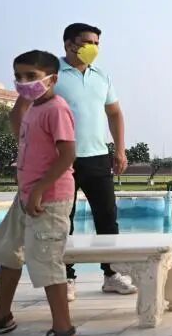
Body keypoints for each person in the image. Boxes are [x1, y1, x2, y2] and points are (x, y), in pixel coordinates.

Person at [10, 23, 134, 301]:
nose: (94, 48)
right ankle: (66, 277)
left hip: (98, 156)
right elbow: (20, 111)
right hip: (61, 161)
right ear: (69, 44)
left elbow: (114, 113)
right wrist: (28, 148)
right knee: (64, 220)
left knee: (107, 217)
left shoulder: (102, 76)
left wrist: (120, 150)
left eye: (97, 43)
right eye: (88, 42)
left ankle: (111, 274)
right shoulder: (52, 75)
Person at [0, 51, 80, 336]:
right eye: (18, 76)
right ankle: (0, 316)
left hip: (48, 198)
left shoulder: (56, 109)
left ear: (52, 79)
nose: (23, 82)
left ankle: (63, 331)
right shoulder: (33, 109)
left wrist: (39, 189)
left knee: (46, 262)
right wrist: (22, 99)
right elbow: (18, 128)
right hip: (26, 196)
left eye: (31, 77)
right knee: (7, 250)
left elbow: (67, 155)